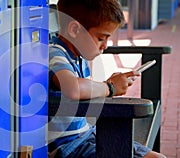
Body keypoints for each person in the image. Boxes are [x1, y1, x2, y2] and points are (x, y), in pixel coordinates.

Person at [48, 0, 166, 157]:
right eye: (101, 38)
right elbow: (73, 88)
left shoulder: (79, 57)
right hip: (68, 147)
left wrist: (109, 85)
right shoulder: (54, 54)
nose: (105, 46)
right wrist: (110, 87)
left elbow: (84, 91)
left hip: (87, 135)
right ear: (75, 29)